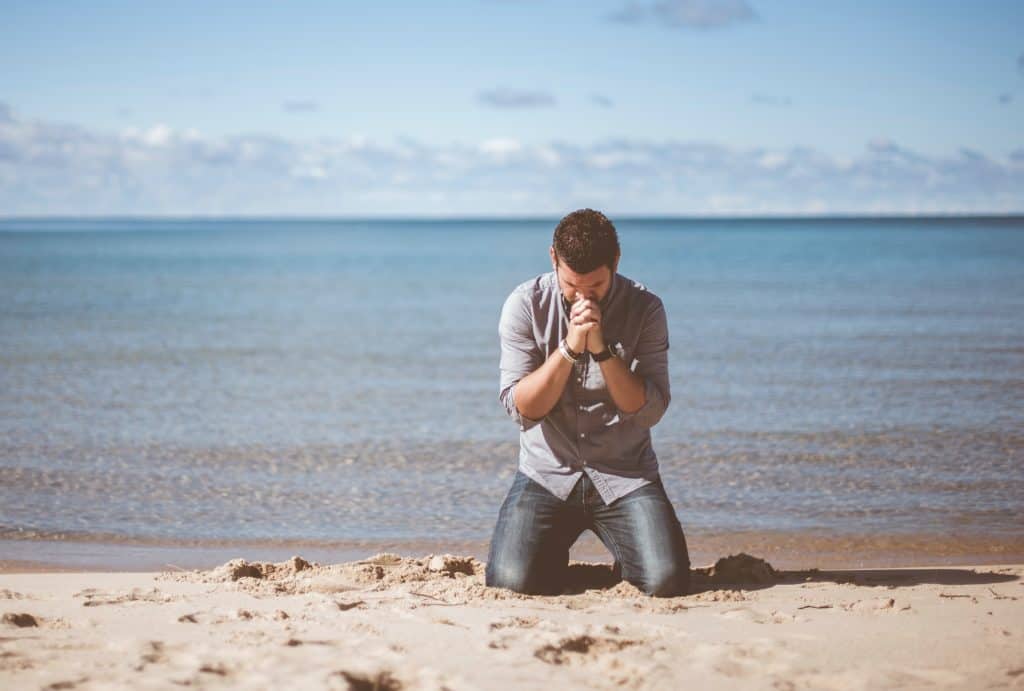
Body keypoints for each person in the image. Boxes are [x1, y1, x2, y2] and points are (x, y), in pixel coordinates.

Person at [485, 208, 691, 597]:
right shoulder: (526, 304)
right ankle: (548, 556)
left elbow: (649, 410)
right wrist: (568, 349)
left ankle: (628, 553)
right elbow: (522, 409)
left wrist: (601, 350)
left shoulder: (646, 308)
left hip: (625, 473)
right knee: (509, 585)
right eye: (571, 285)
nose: (582, 297)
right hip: (546, 474)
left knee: (666, 582)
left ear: (615, 262)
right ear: (553, 260)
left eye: (594, 286)